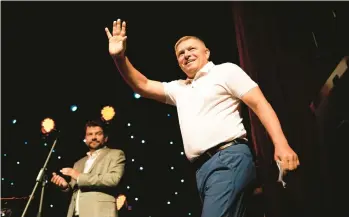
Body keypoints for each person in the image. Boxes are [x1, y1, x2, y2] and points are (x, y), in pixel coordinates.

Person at [105, 19, 300, 217]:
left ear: (207, 53)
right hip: (202, 170)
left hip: (228, 158)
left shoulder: (224, 71)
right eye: (180, 54)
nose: (186, 55)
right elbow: (143, 85)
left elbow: (260, 104)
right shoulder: (179, 89)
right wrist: (120, 58)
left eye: (191, 49)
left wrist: (281, 143)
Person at [51, 120, 126, 217]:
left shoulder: (115, 154)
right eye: (90, 134)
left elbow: (113, 179)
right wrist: (65, 186)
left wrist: (78, 176)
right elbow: (75, 191)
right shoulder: (79, 163)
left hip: (99, 213)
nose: (94, 137)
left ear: (105, 138)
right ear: (85, 138)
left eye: (98, 134)